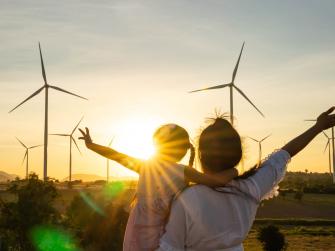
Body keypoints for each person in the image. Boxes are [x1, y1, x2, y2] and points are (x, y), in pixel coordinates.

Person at [157, 107, 335, 251]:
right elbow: (285, 153)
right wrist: (318, 127)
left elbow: (170, 247)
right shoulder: (251, 187)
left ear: (202, 155)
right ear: (238, 154)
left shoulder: (188, 199)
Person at [78, 123, 238, 251]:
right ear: (182, 149)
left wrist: (91, 145)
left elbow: (115, 155)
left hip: (138, 231)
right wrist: (234, 171)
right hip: (164, 233)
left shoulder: (145, 165)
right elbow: (214, 181)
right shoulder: (184, 171)